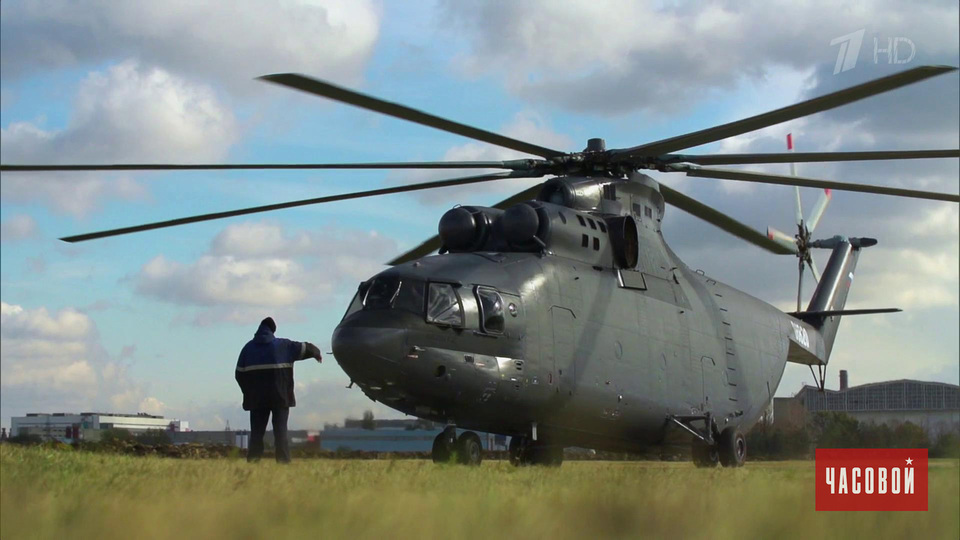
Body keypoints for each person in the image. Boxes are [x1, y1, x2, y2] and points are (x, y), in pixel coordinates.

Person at [236, 316, 322, 463]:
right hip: (280, 398)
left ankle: (253, 462)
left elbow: (239, 375)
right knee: (280, 433)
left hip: (257, 399)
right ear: (273, 330)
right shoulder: (284, 346)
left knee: (257, 434)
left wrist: (248, 393)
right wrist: (316, 353)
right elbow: (306, 347)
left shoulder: (247, 349)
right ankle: (283, 463)